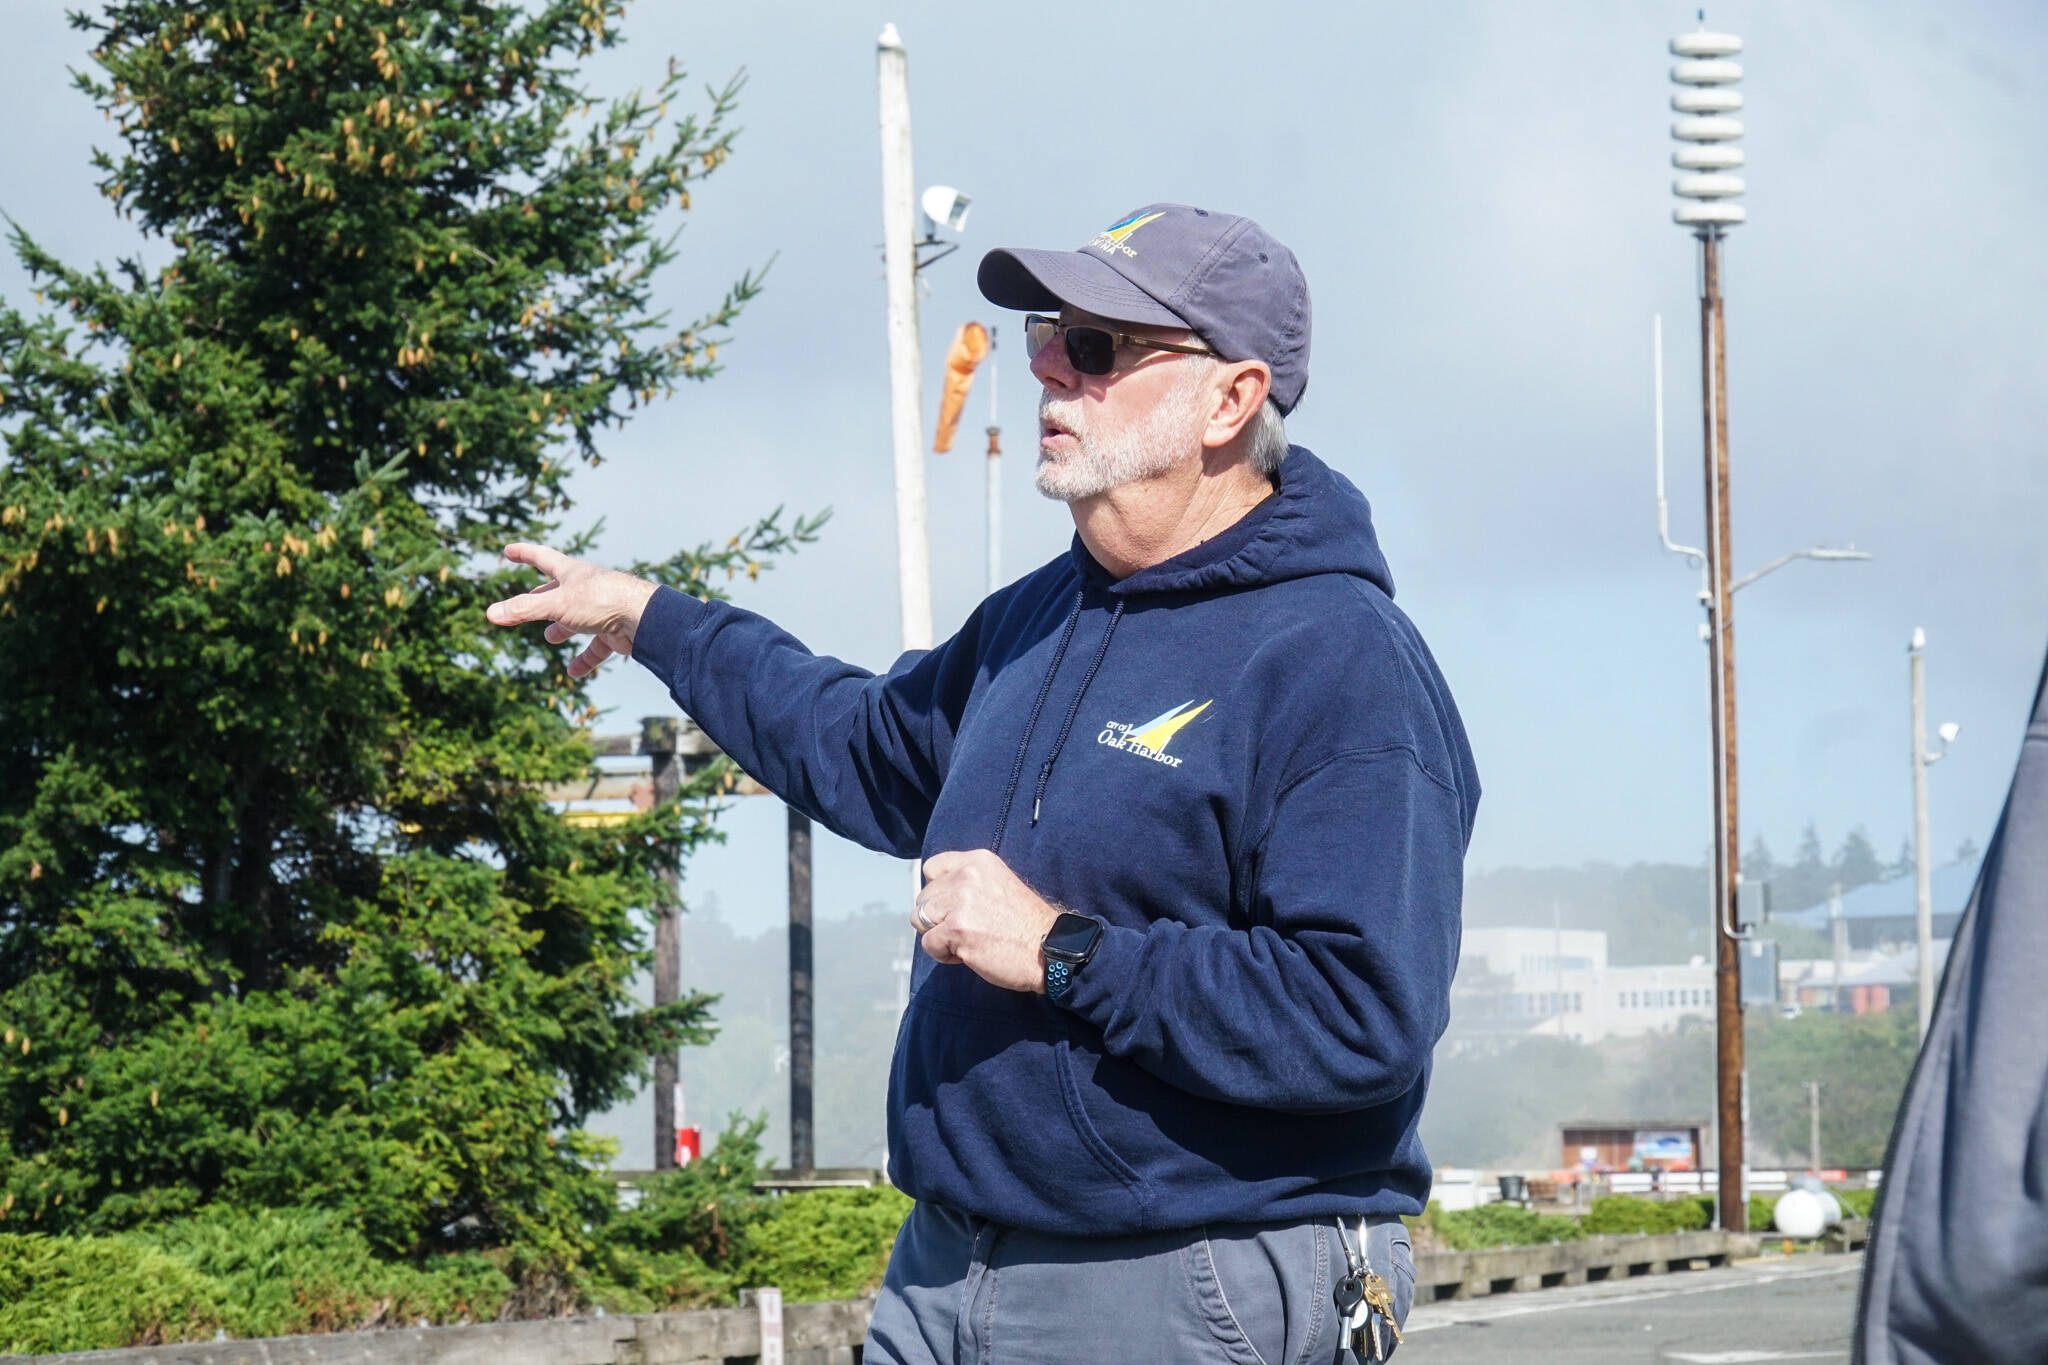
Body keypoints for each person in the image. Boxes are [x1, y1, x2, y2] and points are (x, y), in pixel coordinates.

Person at [487, 203, 1479, 1363]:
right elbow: (862, 744)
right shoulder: (1032, 622)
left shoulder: (1339, 657)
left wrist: (1063, 951)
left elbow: (1358, 1013)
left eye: (1099, 347)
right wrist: (653, 618)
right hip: (943, 1269)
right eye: (1049, 334)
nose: (1051, 365)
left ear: (1229, 400)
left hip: (1178, 1275)